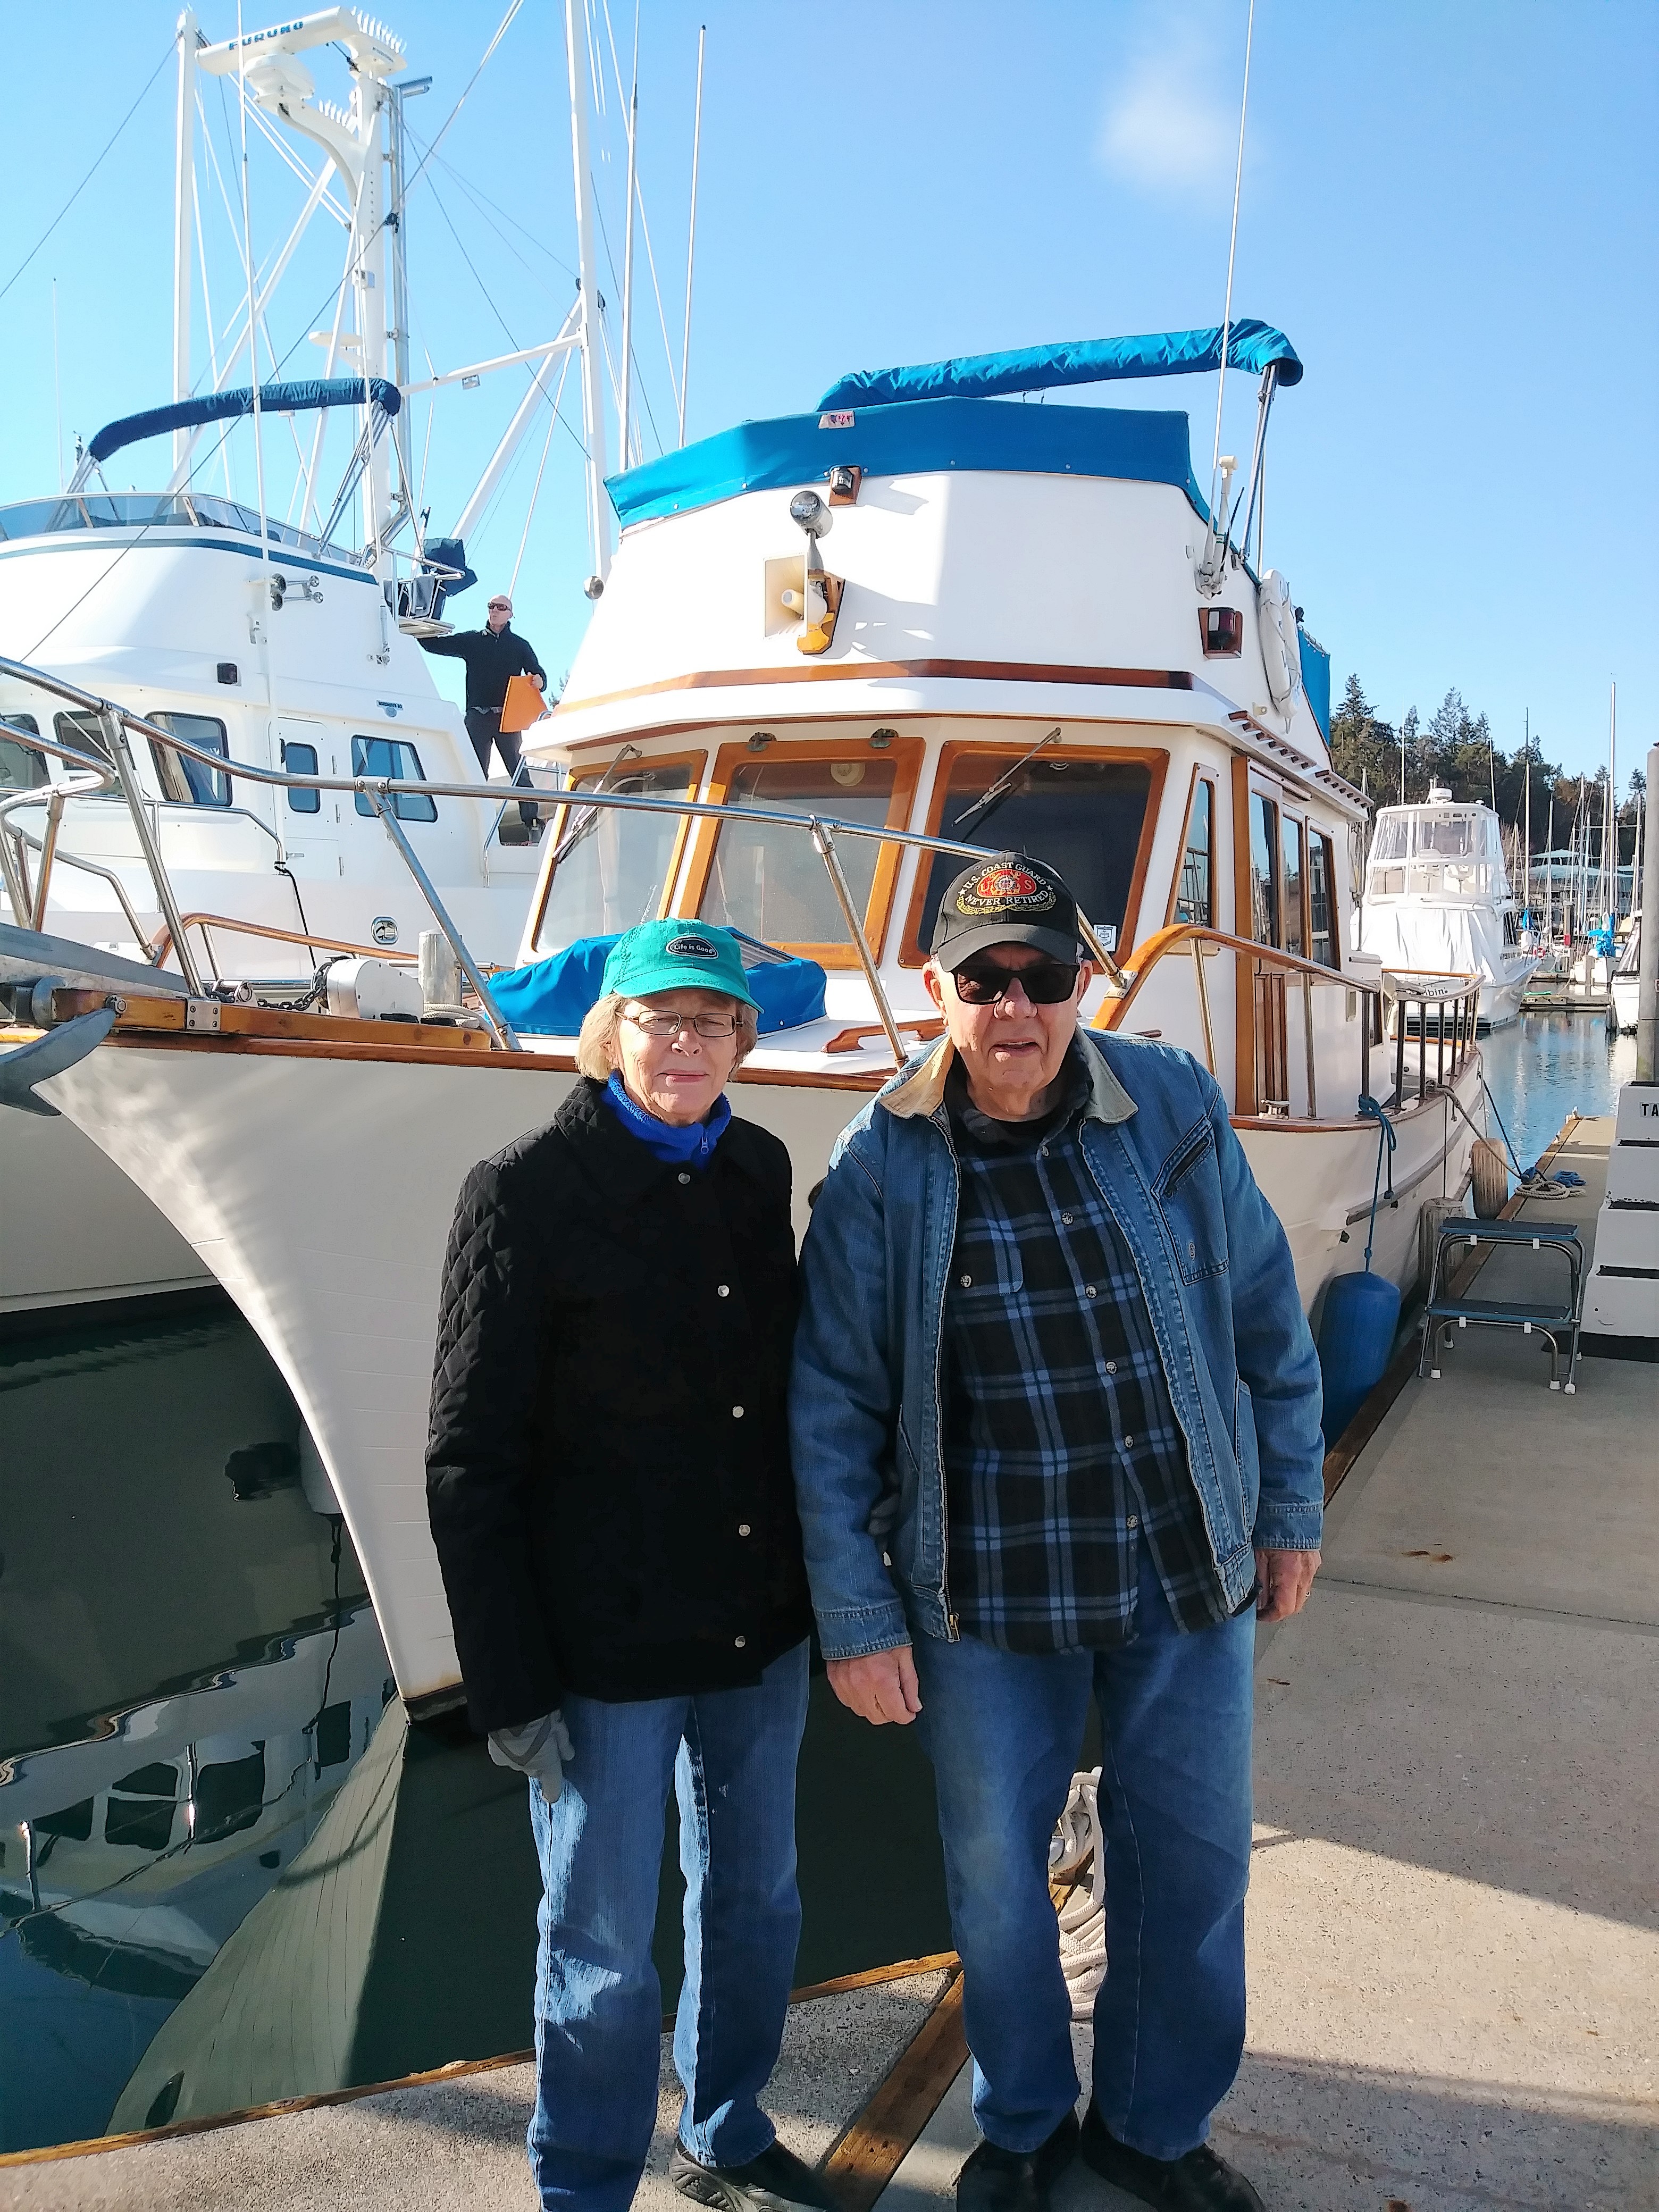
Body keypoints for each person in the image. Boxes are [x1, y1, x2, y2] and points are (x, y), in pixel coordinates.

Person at [789, 854, 1325, 2212]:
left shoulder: (1175, 1106)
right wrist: (856, 1620)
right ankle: (1022, 2122)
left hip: (1176, 1562)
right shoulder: (875, 1165)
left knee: (1193, 1861)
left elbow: (1267, 1320)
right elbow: (834, 1405)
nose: (1014, 1007)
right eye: (984, 980)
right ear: (936, 992)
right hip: (986, 1593)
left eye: (1042, 976)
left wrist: (1286, 1509)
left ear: (1081, 984)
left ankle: (1150, 2127)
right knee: (993, 1877)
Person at [425, 919, 832, 2212]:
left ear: (740, 1040)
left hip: (754, 1628)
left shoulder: (757, 1166)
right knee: (598, 1946)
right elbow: (466, 1456)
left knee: (756, 1904)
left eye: (713, 1021)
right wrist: (505, 1679)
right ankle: (586, 2184)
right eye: (663, 1018)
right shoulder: (522, 1188)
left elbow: (780, 1396)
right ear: (612, 1031)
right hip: (599, 1647)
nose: (687, 1044)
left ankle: (722, 2123)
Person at [420, 589, 546, 824]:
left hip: (507, 719)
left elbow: (539, 674)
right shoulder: (472, 640)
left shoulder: (520, 646)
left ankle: (532, 823)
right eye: (491, 606)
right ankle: (475, 823)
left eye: (501, 608)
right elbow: (434, 646)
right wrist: (419, 628)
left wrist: (540, 680)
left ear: (510, 615)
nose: (495, 611)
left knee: (519, 774)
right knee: (477, 773)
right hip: (477, 718)